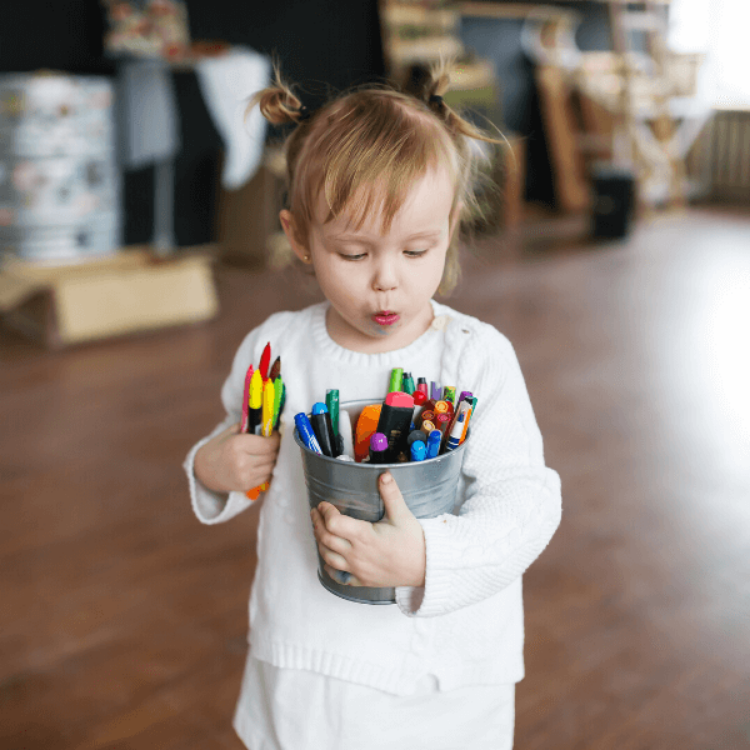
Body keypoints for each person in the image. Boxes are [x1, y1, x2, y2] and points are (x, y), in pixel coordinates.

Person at [184, 62, 562, 750]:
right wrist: (215, 465)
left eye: (418, 249)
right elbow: (242, 450)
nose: (388, 282)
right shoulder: (275, 349)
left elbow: (528, 500)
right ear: (299, 237)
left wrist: (427, 557)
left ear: (449, 228)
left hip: (443, 677)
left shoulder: (476, 356)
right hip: (310, 664)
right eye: (353, 253)